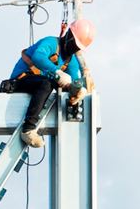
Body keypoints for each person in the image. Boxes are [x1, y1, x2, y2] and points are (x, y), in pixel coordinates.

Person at [6, 19, 96, 148]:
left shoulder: (71, 60)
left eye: (78, 47)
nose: (74, 48)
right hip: (21, 80)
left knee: (51, 83)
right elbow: (38, 57)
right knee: (47, 83)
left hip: (39, 87)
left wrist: (77, 90)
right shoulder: (51, 43)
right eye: (75, 43)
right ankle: (28, 129)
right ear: (69, 35)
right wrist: (57, 71)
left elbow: (74, 79)